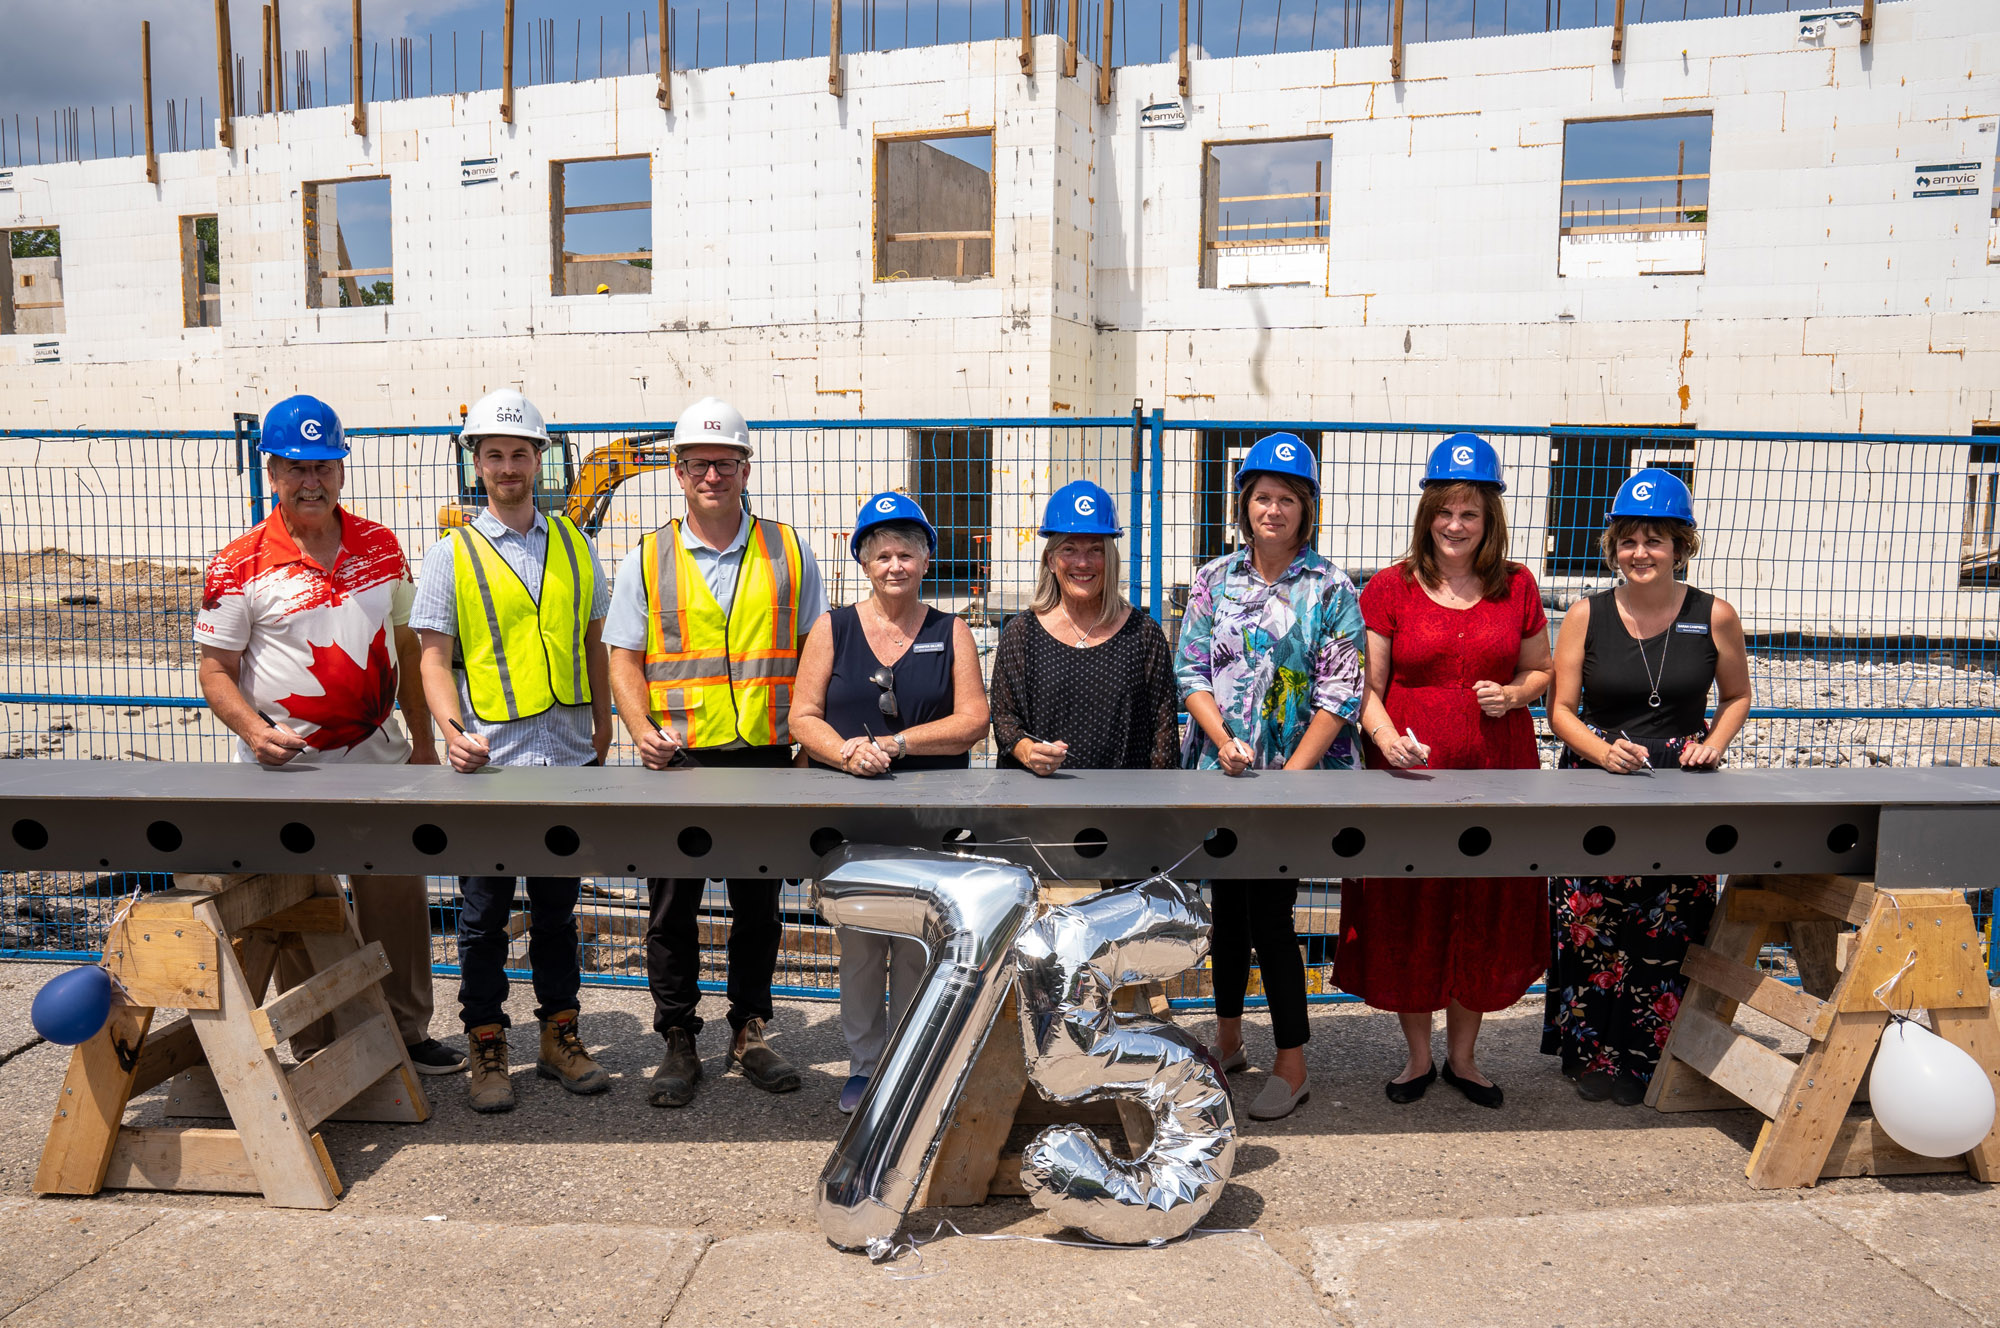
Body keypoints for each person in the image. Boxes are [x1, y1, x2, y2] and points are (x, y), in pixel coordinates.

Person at [194, 393, 459, 1077]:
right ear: (271, 472)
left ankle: (406, 1032)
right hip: (286, 775)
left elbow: (406, 645)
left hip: (381, 764)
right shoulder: (238, 563)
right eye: (296, 467)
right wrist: (253, 732)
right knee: (301, 910)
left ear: (341, 470)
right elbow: (216, 671)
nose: (311, 482)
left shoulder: (382, 546)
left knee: (396, 900)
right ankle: (317, 1042)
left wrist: (423, 741)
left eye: (323, 466)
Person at [607, 396, 831, 1108]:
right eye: (700, 463)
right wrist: (639, 728)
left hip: (766, 757)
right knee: (672, 907)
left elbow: (817, 651)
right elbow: (623, 658)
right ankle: (678, 1035)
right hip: (680, 762)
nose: (713, 475)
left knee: (758, 907)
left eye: (726, 463)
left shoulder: (788, 550)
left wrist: (809, 744)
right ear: (678, 472)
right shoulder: (648, 556)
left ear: (745, 469)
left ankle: (750, 1029)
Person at [413, 388, 614, 1114]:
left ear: (538, 460)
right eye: (494, 455)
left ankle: (560, 1036)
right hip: (492, 763)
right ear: (478, 464)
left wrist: (604, 723)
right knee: (482, 918)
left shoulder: (575, 545)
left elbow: (594, 642)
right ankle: (487, 1042)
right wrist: (450, 731)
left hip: (564, 759)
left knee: (558, 912)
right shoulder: (451, 555)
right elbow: (433, 657)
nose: (507, 467)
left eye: (519, 454)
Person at [1338, 434, 1552, 1111]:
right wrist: (1384, 737)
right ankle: (1417, 1057)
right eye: (1444, 512)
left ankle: (1464, 1058)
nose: (1455, 526)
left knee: (1482, 899)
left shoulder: (1517, 585)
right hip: (1410, 776)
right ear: (1427, 515)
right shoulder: (1389, 587)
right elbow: (1366, 687)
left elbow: (1541, 671)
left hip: (1498, 768)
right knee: (1411, 901)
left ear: (1490, 519)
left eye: (1470, 514)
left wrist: (1513, 695)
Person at [1543, 468, 1751, 1105]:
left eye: (1655, 540)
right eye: (1629, 540)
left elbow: (1738, 696)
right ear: (1613, 546)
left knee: (1669, 928)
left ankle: (1654, 1057)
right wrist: (1603, 752)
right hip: (1597, 779)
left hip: (1679, 786)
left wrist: (1715, 742)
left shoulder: (1714, 615)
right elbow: (1560, 711)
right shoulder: (1586, 615)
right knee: (1591, 923)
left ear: (1680, 546)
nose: (1641, 552)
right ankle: (1591, 1055)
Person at [1175, 433, 1367, 1122]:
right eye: (1262, 497)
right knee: (1227, 911)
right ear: (1244, 505)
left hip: (1298, 778)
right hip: (1222, 774)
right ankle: (1228, 1041)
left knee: (1271, 916)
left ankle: (1292, 1062)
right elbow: (1191, 670)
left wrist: (1292, 775)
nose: (1273, 509)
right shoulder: (1213, 579)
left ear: (1306, 508)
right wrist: (1222, 740)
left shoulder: (1332, 588)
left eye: (1288, 498)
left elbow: (1342, 691)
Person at [790, 493, 988, 1114]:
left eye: (906, 554)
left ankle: (909, 1063)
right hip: (855, 816)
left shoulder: (951, 631)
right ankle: (865, 1065)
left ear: (926, 560)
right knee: (861, 943)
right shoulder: (834, 628)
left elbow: (973, 721)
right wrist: (846, 752)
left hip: (930, 817)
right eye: (882, 556)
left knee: (920, 945)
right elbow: (803, 717)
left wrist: (897, 743)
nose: (895, 566)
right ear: (863, 563)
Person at [988, 480, 1180, 777]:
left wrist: (1159, 800)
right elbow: (1004, 719)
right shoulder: (1021, 634)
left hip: (1126, 799)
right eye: (1069, 549)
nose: (1082, 562)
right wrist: (1027, 751)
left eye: (1095, 550)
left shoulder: (1143, 634)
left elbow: (1164, 734)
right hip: (1040, 798)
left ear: (1110, 559)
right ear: (1051, 560)